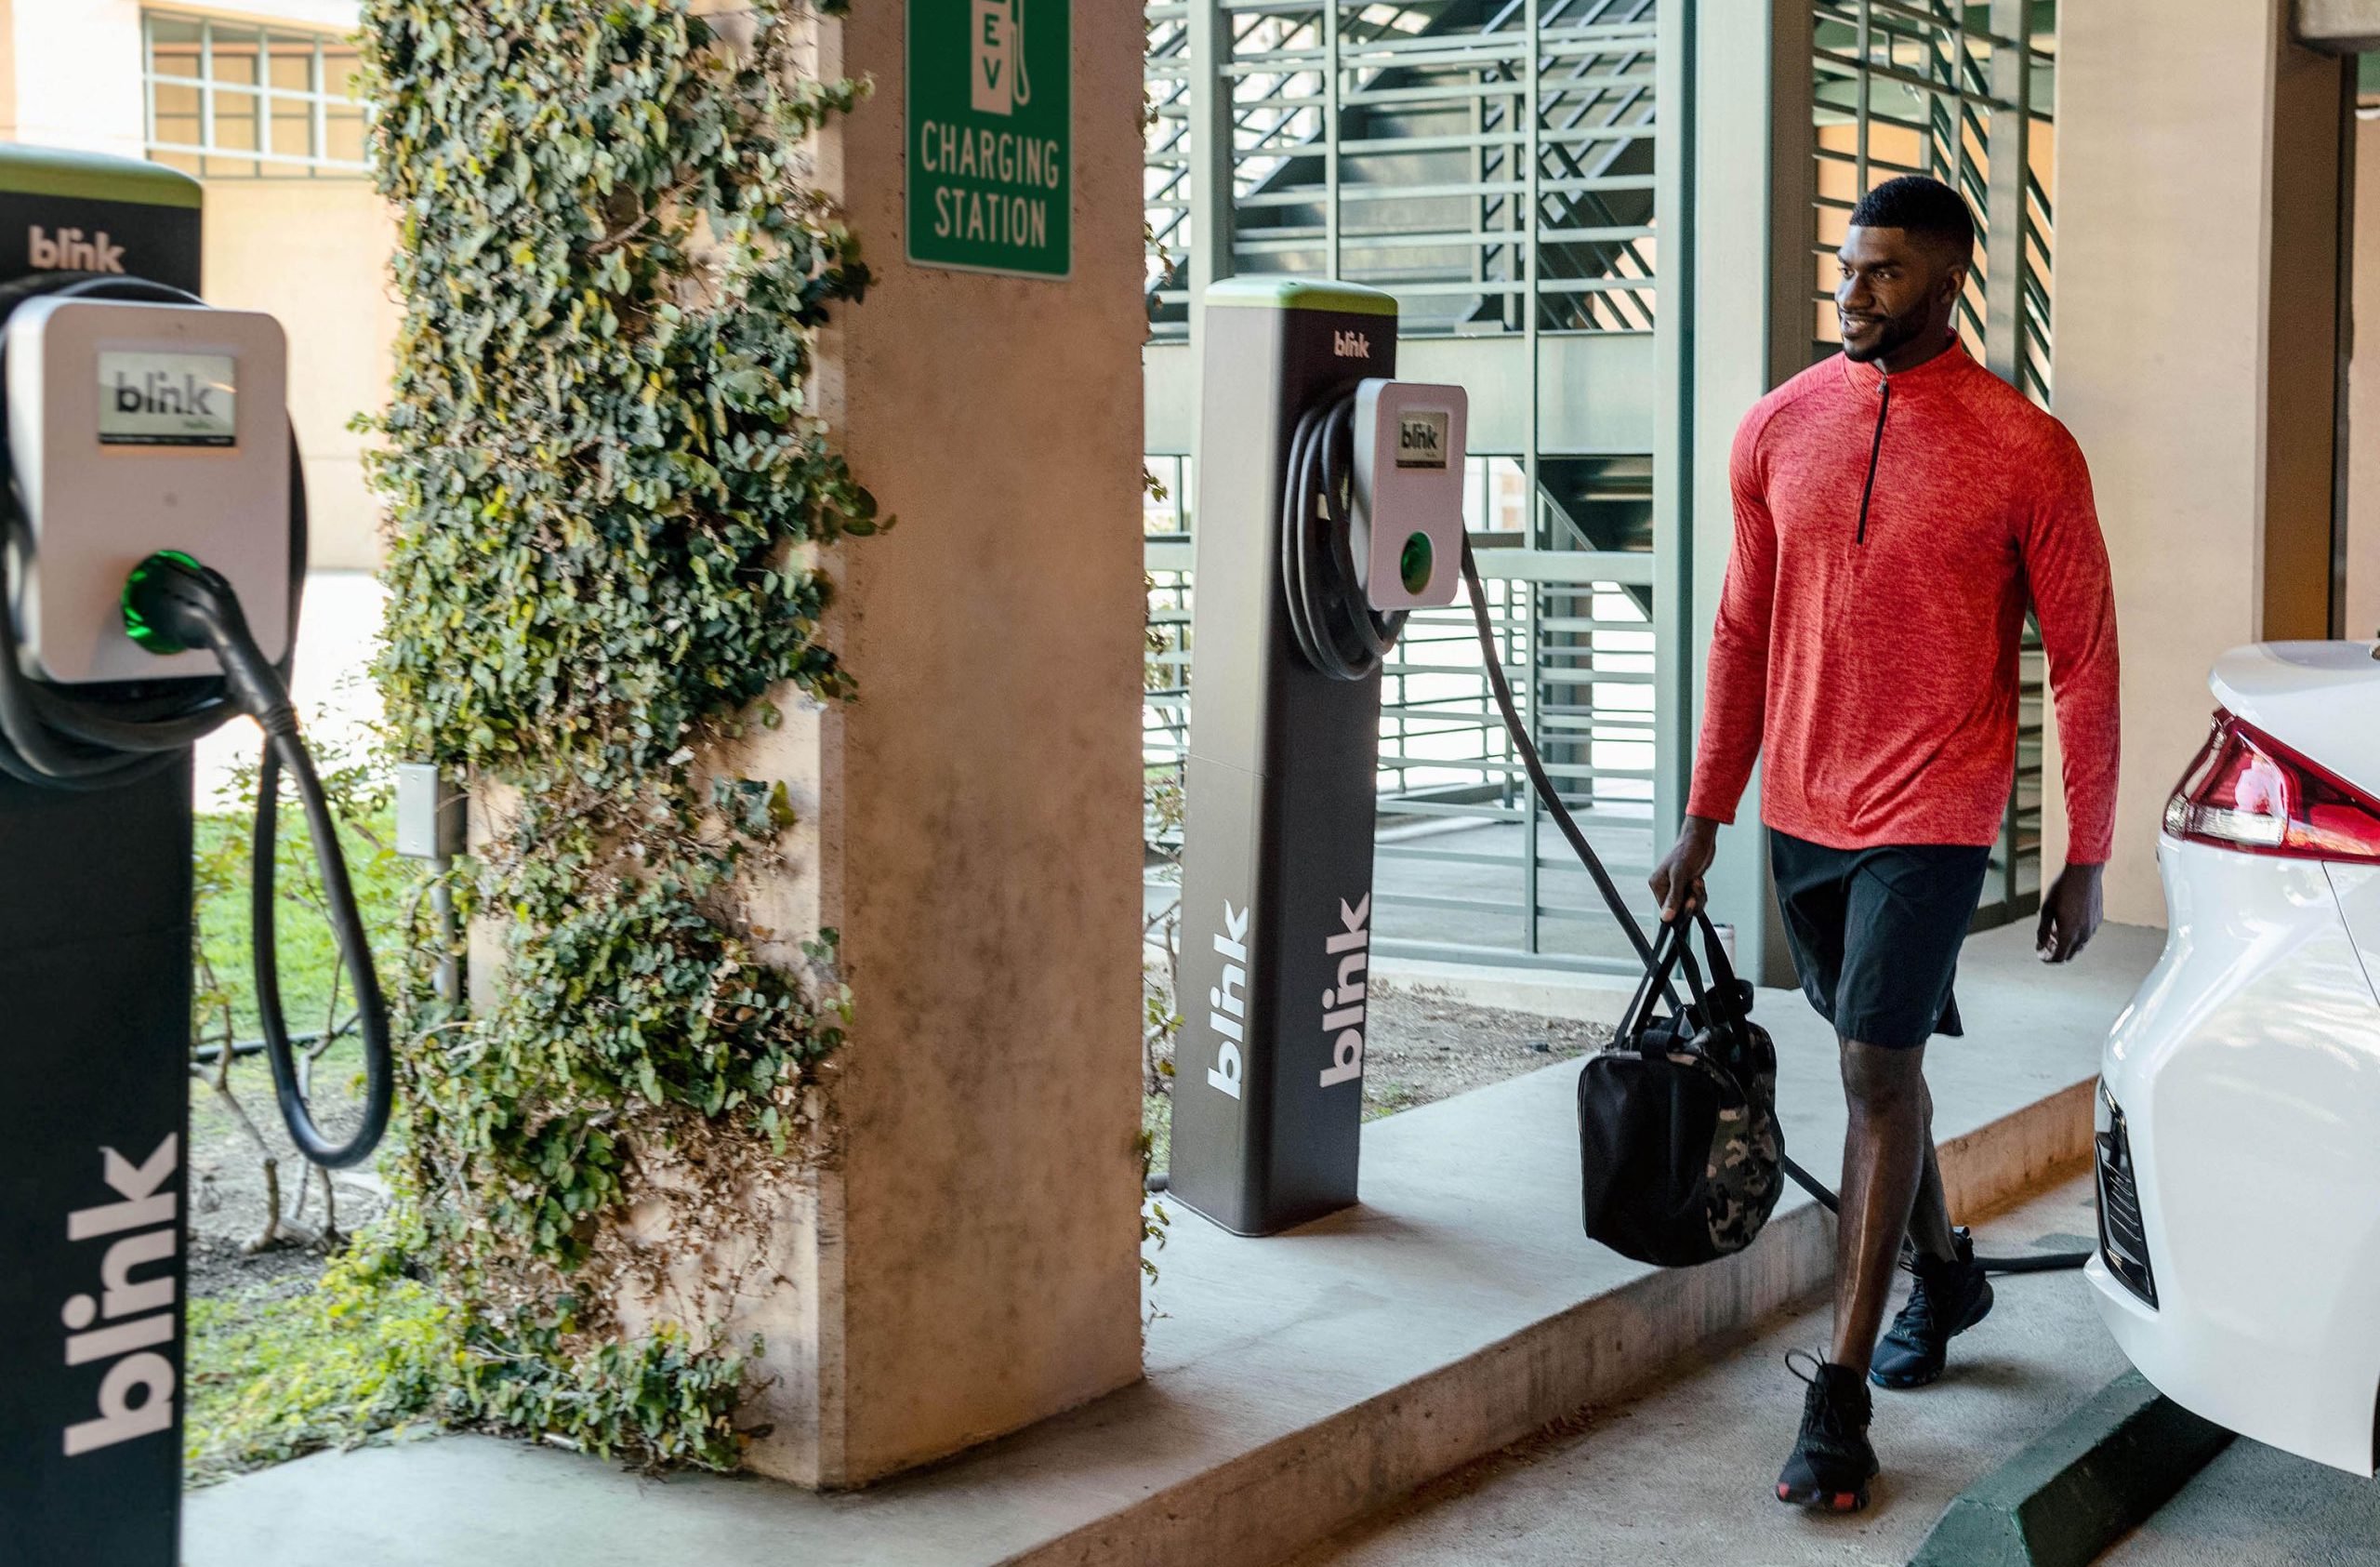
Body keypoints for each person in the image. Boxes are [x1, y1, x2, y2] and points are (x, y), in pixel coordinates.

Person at [1646, 174, 2119, 1514]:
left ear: (1954, 278)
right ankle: (1949, 1274)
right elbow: (1741, 629)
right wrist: (1705, 814)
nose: (1853, 292)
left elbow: (2083, 659)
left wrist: (2087, 848)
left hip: (1935, 808)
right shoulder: (1779, 428)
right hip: (1802, 804)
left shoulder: (2027, 449)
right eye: (1848, 268)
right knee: (1880, 1068)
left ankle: (1838, 1403)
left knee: (1871, 1062)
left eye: (1886, 273)